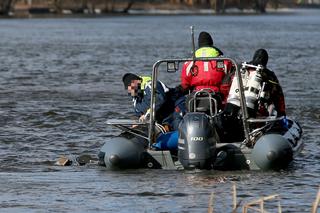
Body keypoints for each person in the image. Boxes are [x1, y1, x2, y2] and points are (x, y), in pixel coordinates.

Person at [179, 31, 234, 110]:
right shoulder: (225, 61)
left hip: (195, 97)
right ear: (211, 43)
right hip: (216, 96)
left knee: (180, 103)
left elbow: (185, 84)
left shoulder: (190, 62)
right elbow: (228, 82)